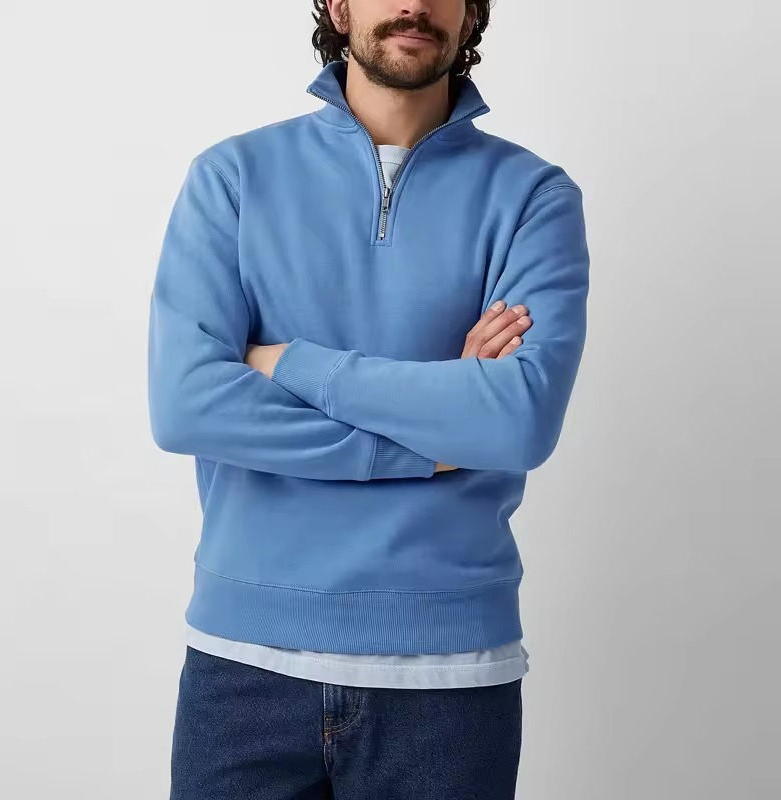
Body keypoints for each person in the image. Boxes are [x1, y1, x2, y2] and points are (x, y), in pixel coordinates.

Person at [147, 1, 590, 797]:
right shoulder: (234, 177)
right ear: (338, 5)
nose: (412, 3)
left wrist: (290, 362)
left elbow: (517, 419)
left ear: (471, 12)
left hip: (450, 677)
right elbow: (188, 404)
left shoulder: (533, 196)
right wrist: (432, 438)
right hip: (243, 668)